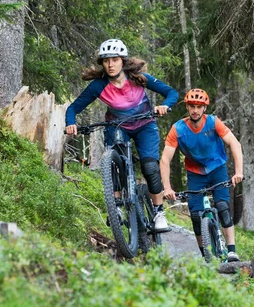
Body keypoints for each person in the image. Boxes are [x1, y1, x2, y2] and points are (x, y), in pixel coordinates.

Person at [64, 39, 178, 231]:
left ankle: (159, 212)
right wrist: (71, 123)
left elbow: (171, 92)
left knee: (150, 167)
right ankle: (116, 208)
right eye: (106, 60)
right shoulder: (98, 86)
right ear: (102, 63)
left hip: (145, 125)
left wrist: (165, 106)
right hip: (117, 126)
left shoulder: (138, 78)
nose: (110, 64)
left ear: (122, 61)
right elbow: (73, 108)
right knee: (115, 164)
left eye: (115, 60)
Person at [160, 88, 244, 261]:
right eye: (192, 106)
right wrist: (167, 187)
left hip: (217, 168)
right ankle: (205, 255)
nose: (195, 110)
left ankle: (232, 251)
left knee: (222, 207)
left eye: (199, 106)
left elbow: (235, 144)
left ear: (205, 108)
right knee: (196, 215)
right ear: (188, 107)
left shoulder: (213, 122)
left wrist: (238, 172)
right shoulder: (178, 129)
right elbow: (165, 160)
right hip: (195, 173)